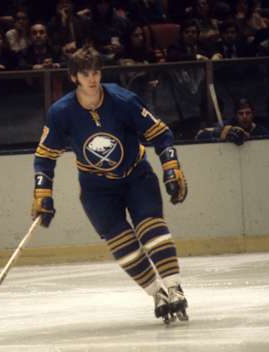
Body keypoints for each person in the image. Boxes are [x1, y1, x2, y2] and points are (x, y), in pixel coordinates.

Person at [31, 46, 189, 323]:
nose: (92, 79)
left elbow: (161, 134)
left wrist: (171, 166)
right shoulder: (61, 112)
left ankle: (174, 288)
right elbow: (44, 156)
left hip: (136, 176)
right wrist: (43, 193)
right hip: (96, 190)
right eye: (85, 73)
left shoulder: (123, 100)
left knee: (151, 230)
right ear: (73, 77)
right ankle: (157, 293)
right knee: (122, 243)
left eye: (96, 72)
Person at [195, 98, 269, 144]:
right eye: (241, 113)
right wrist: (220, 132)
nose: (244, 116)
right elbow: (199, 135)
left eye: (248, 113)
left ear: (253, 114)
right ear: (235, 115)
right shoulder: (228, 125)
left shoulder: (261, 131)